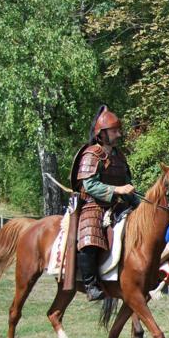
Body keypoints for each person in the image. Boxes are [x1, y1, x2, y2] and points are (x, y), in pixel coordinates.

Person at [69, 105, 138, 301]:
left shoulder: (118, 155)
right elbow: (89, 185)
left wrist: (138, 204)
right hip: (93, 205)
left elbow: (127, 184)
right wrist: (117, 190)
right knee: (90, 237)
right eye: (114, 130)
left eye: (118, 129)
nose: (118, 134)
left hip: (118, 205)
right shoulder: (92, 153)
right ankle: (90, 285)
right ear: (102, 133)